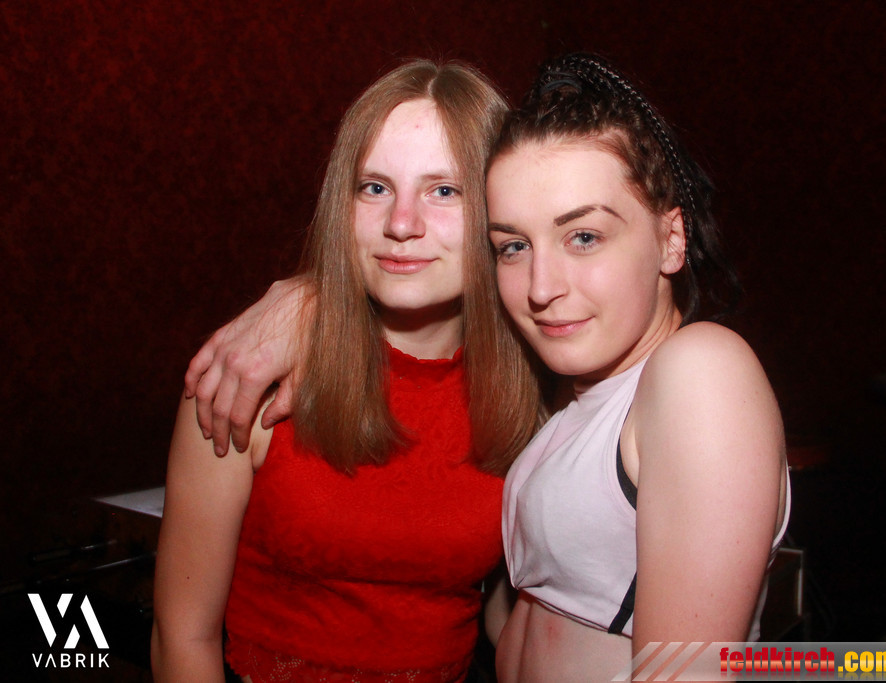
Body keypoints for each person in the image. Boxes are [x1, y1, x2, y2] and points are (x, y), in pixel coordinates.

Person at [185, 53, 789, 682]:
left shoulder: (701, 369)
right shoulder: (564, 395)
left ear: (671, 238)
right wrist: (310, 297)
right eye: (514, 246)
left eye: (584, 237)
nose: (542, 286)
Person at [151, 59, 541, 683]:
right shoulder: (252, 375)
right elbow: (182, 638)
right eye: (374, 188)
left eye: (445, 191)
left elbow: (511, 611)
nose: (401, 224)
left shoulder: (535, 390)